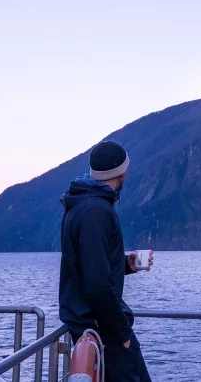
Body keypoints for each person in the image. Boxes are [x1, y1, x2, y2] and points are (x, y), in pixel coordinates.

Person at [59, 140, 153, 382]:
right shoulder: (95, 211)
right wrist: (123, 333)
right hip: (103, 330)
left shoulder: (84, 204)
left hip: (98, 325)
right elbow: (97, 284)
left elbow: (91, 264)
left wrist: (127, 264)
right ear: (119, 172)